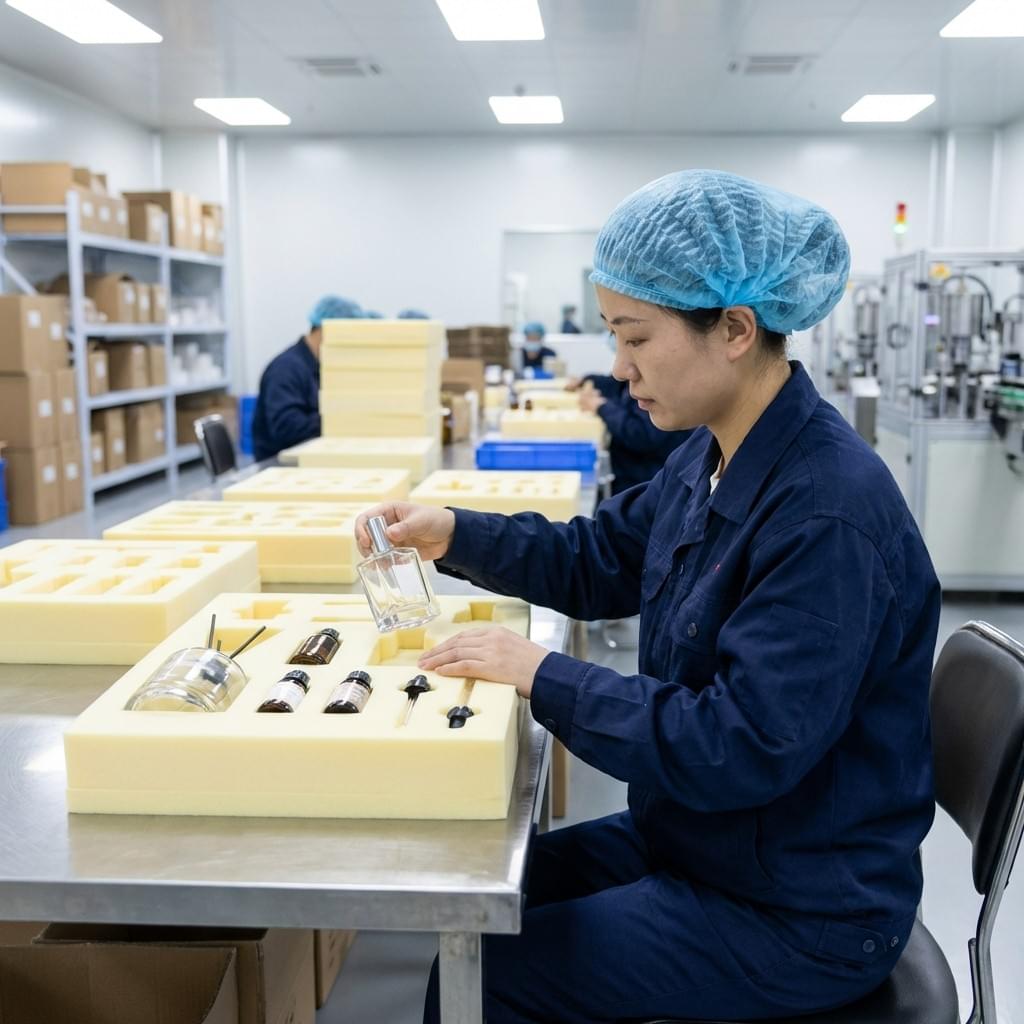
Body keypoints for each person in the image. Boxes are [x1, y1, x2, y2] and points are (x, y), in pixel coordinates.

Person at [356, 170, 940, 1024]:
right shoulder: (710, 454)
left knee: (485, 981)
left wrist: (539, 674)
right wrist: (455, 534)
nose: (618, 370)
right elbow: (599, 557)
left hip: (798, 906)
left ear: (735, 329)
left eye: (635, 337)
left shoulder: (826, 513)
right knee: (475, 910)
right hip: (709, 844)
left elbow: (734, 745)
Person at [251, 294, 361, 461]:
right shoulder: (286, 370)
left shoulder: (318, 366)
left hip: (311, 455)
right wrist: (339, 419)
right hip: (281, 464)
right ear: (326, 329)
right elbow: (287, 427)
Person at [575, 368, 691, 494]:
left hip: (646, 480)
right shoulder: (639, 372)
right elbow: (615, 383)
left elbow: (642, 434)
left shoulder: (659, 381)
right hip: (631, 471)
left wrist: (602, 407)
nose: (619, 367)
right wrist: (588, 380)